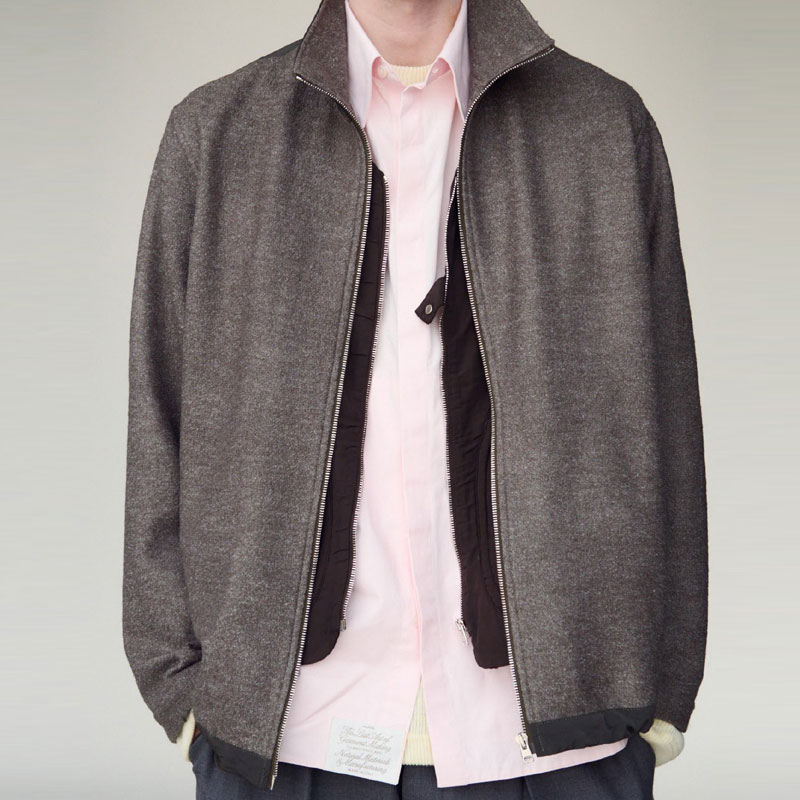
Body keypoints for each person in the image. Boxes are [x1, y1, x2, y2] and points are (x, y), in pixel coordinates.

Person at [122, 0, 708, 797]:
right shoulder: (217, 134)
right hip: (288, 740)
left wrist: (664, 691)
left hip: (564, 747)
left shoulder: (604, 127)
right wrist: (181, 687)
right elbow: (158, 417)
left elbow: (668, 424)